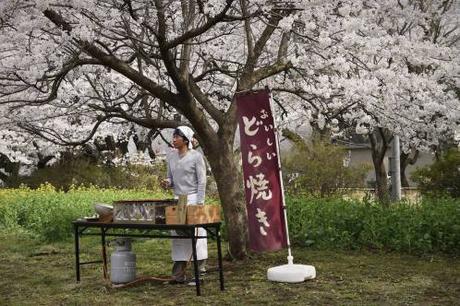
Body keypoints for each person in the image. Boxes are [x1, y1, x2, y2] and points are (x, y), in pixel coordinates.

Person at [162, 126, 207, 285]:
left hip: (193, 199)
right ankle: (178, 276)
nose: (173, 139)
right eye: (173, 136)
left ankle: (199, 275)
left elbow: (202, 181)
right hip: (178, 200)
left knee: (197, 237)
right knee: (178, 238)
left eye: (177, 137)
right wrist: (167, 183)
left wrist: (200, 203)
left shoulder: (196, 156)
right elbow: (170, 178)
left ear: (186, 139)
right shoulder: (171, 157)